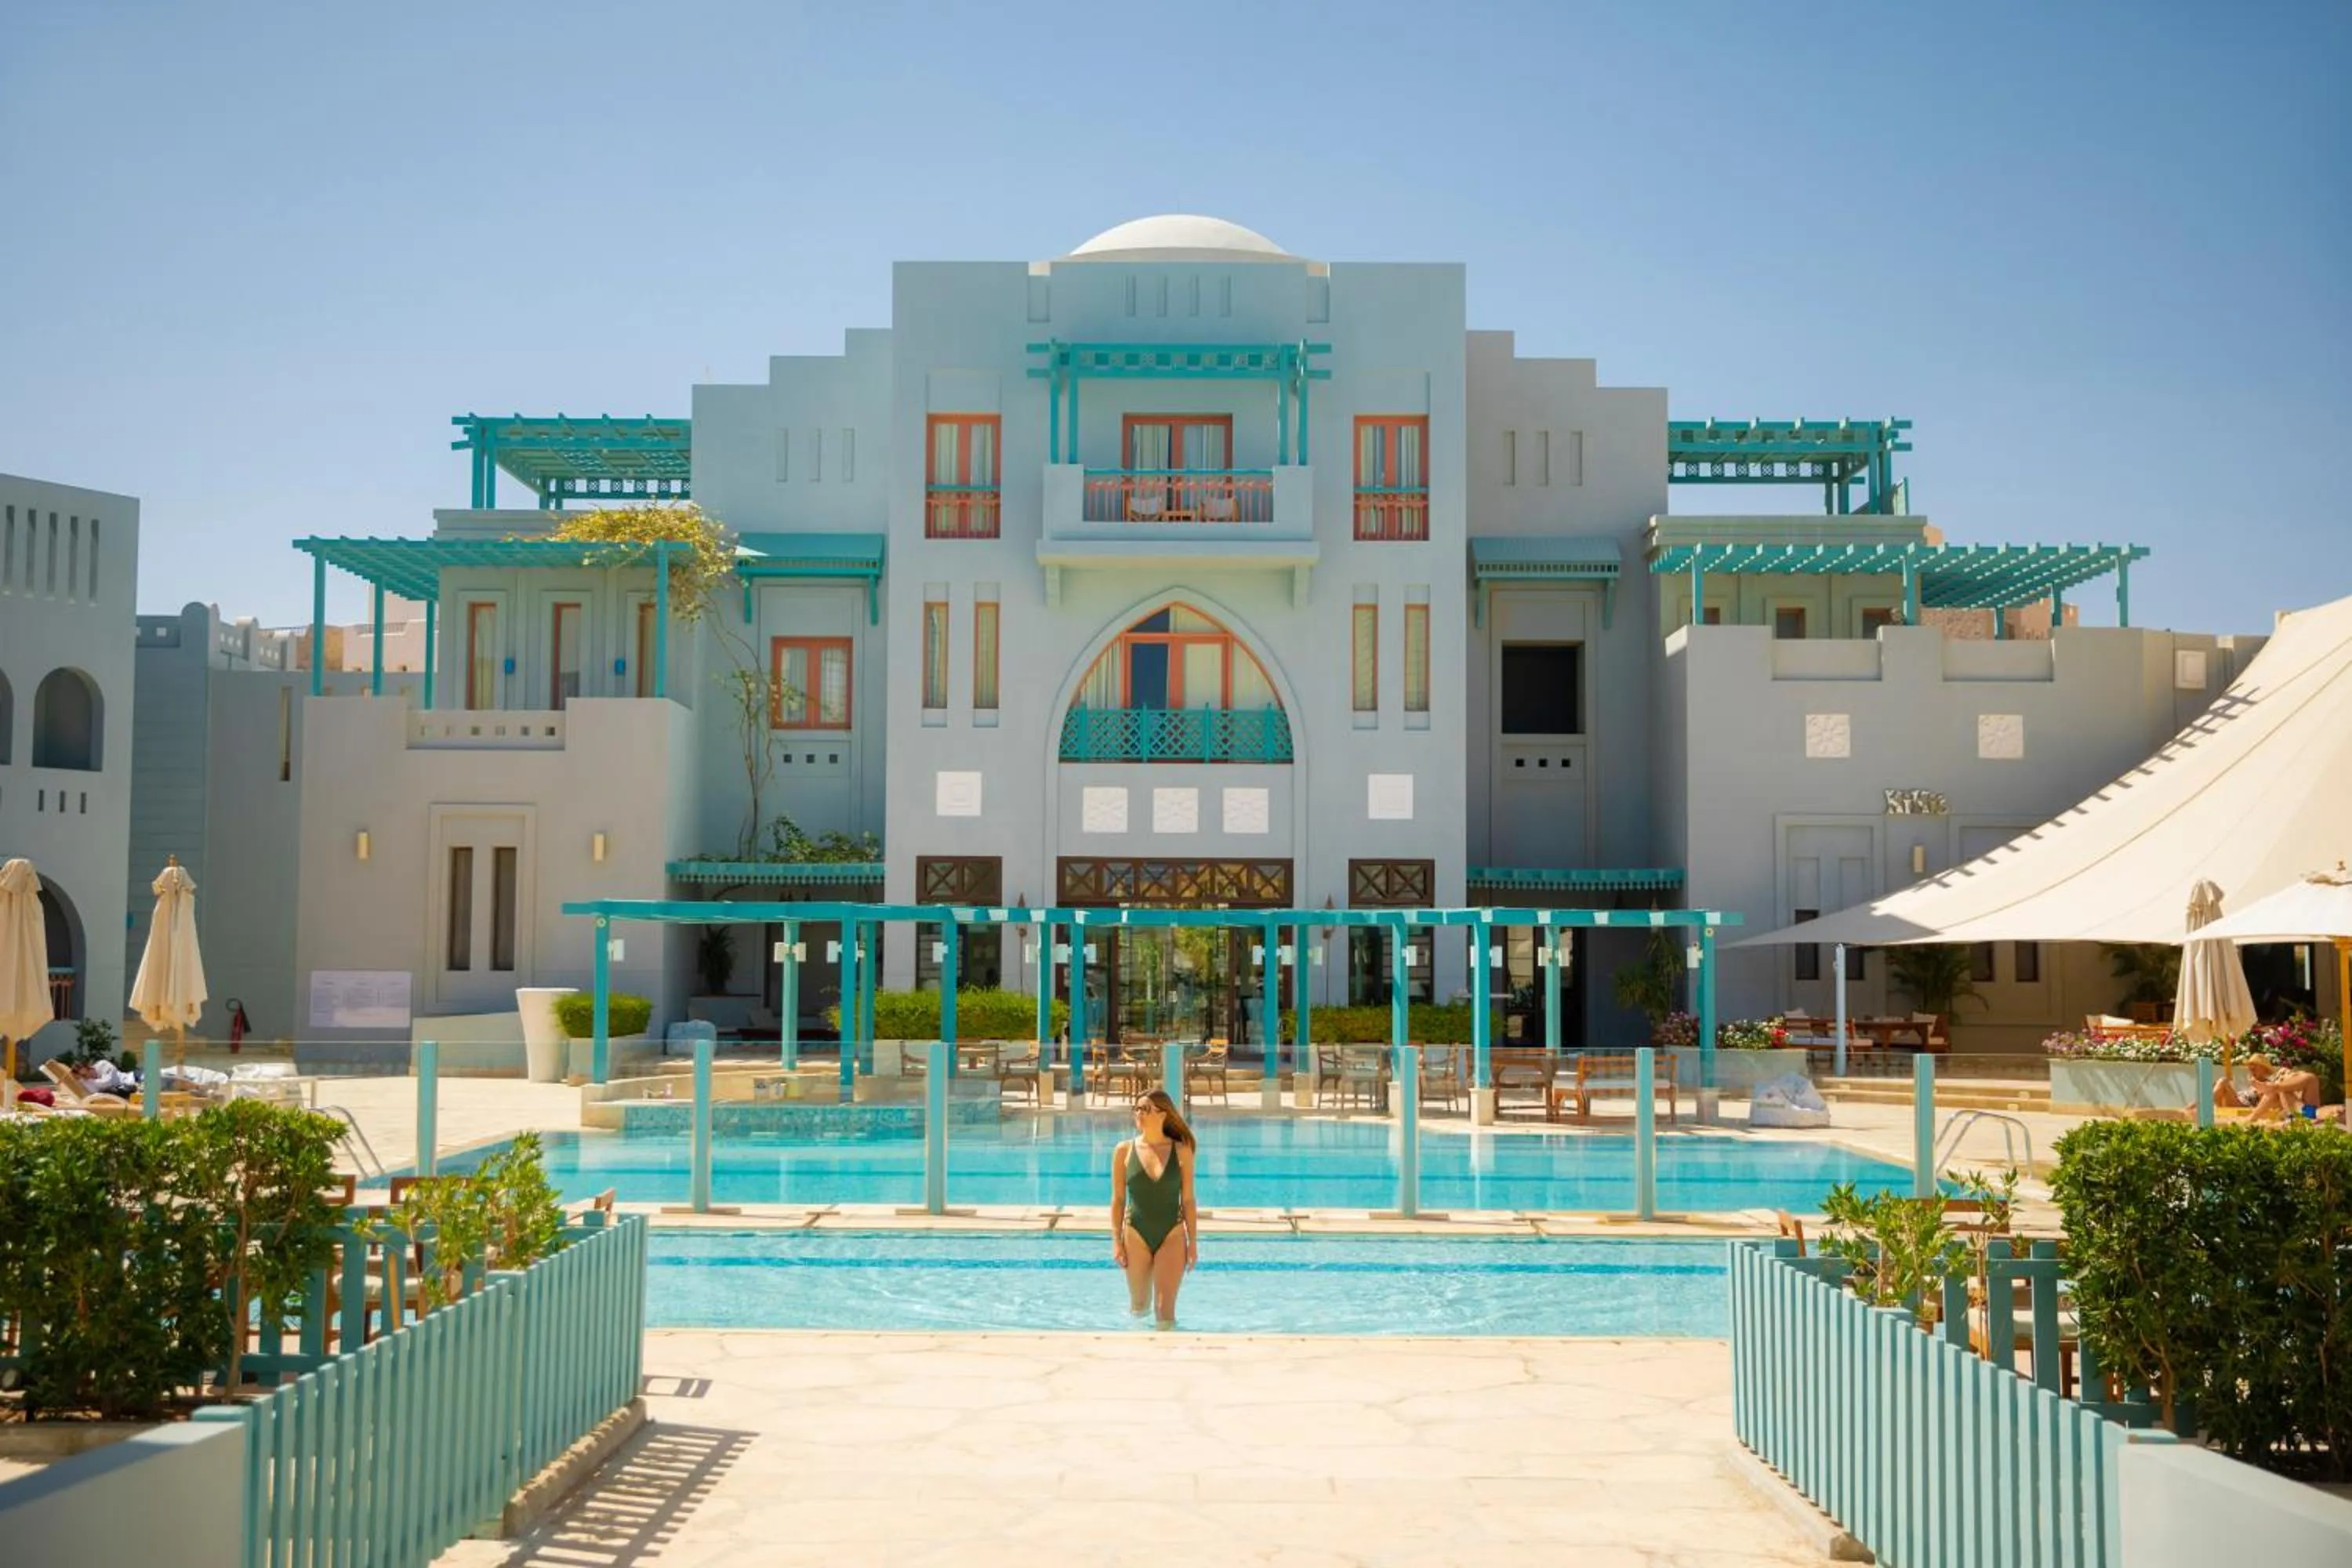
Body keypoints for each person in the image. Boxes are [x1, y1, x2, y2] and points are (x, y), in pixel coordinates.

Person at [1112, 1088, 1198, 1327]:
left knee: (1164, 1311)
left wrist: (1193, 1243)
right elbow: (1118, 1200)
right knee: (1139, 1307)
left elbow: (1189, 1200)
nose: (1139, 1113)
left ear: (1162, 1114)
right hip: (1135, 1233)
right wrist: (1117, 1241)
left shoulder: (1182, 1151)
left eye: (1145, 1109)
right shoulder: (1123, 1151)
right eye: (1137, 1108)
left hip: (1172, 1232)